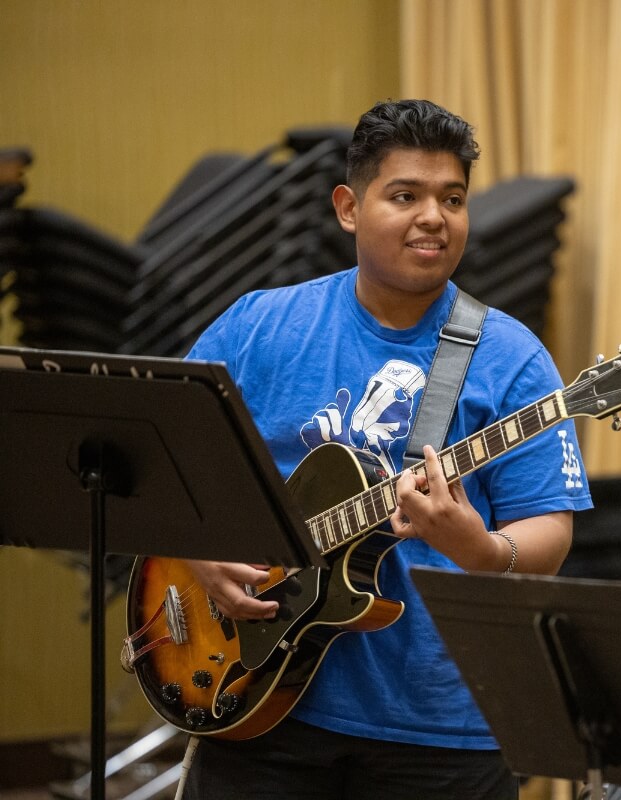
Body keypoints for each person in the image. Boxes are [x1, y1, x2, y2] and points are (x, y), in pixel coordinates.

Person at [180, 98, 591, 799]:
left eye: (452, 198)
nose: (434, 216)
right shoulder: (261, 324)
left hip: (441, 724)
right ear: (348, 207)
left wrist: (482, 550)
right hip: (254, 697)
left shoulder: (512, 360)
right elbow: (174, 458)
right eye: (406, 195)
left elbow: (549, 527)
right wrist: (196, 549)